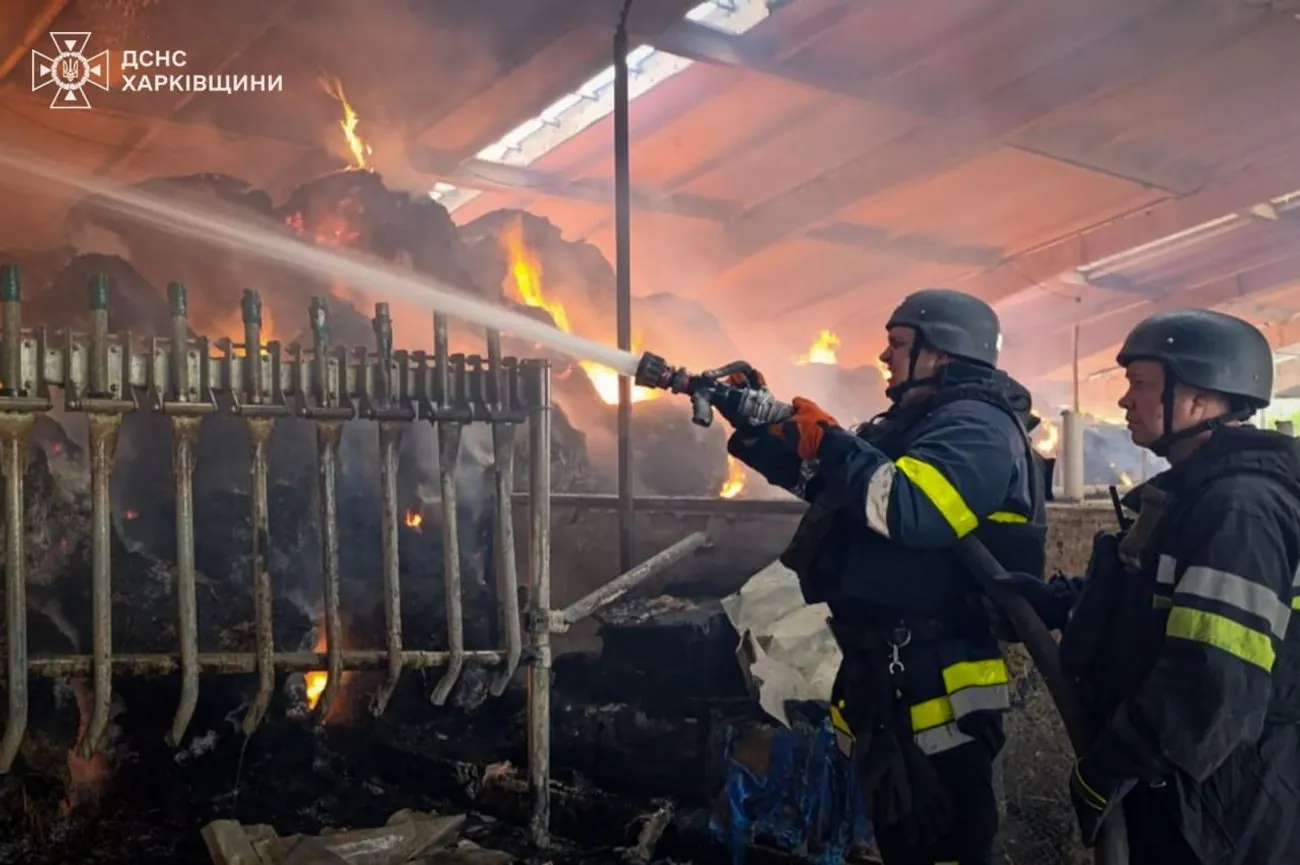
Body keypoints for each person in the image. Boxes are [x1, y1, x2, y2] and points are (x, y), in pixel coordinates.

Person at [722, 288, 1048, 865]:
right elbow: (834, 489)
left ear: (942, 353)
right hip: (892, 679)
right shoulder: (916, 425)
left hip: (940, 686)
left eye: (898, 344)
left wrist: (833, 441)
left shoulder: (977, 428)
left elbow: (907, 508)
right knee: (905, 842)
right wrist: (757, 426)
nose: (884, 357)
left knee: (951, 842)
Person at [1002, 309, 1300, 862]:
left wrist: (1111, 766)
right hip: (1181, 788)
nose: (1124, 400)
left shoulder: (1239, 510)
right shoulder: (1189, 497)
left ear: (1199, 398)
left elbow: (1211, 680)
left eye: (1140, 384)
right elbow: (1158, 599)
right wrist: (1061, 602)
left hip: (1222, 809)